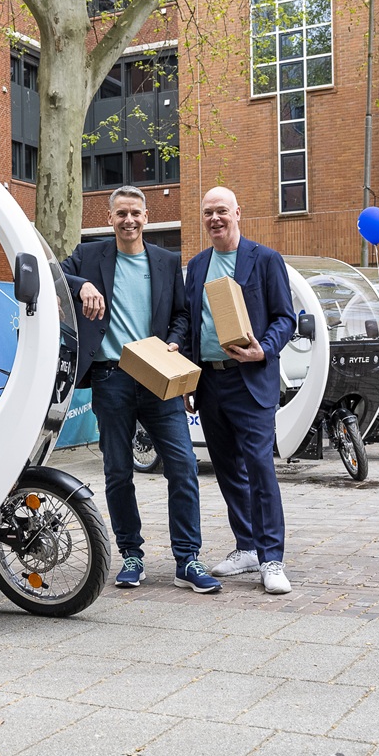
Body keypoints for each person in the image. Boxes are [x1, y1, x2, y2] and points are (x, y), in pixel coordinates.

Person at [61, 185, 221, 593]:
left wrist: (175, 343)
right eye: (121, 214)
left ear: (146, 217)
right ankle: (131, 555)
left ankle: (188, 559)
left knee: (183, 466)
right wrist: (81, 285)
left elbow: (182, 315)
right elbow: (51, 272)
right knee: (118, 471)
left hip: (158, 376)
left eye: (135, 213)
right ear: (109, 218)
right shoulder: (90, 256)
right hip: (110, 378)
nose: (128, 220)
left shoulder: (167, 261)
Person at [182, 186, 296, 594]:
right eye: (208, 212)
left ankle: (272, 557)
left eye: (222, 211)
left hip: (250, 379)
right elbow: (191, 323)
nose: (215, 218)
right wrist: (189, 377)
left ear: (237, 213)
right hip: (210, 381)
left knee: (260, 467)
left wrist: (263, 349)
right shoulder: (197, 265)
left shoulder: (265, 259)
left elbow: (285, 318)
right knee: (227, 468)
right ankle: (246, 547)